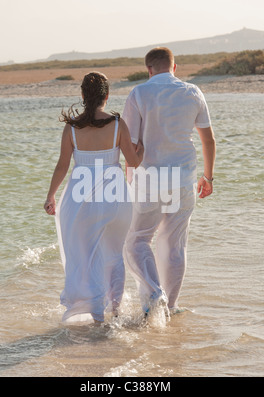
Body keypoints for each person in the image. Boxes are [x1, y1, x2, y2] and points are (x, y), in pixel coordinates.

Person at [44, 72, 144, 325]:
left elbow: (62, 166)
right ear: (107, 96)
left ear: (82, 96)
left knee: (84, 255)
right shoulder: (118, 124)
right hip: (115, 199)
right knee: (113, 254)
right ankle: (116, 310)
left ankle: (95, 312)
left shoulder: (72, 127)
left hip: (80, 201)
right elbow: (133, 162)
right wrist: (141, 146)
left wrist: (51, 195)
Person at [122, 47, 216, 316]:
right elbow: (208, 139)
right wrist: (208, 177)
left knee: (136, 241)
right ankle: (170, 307)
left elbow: (132, 146)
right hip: (183, 178)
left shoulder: (139, 93)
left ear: (148, 69)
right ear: (175, 67)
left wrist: (130, 181)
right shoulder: (193, 92)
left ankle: (154, 292)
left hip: (149, 178)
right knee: (173, 245)